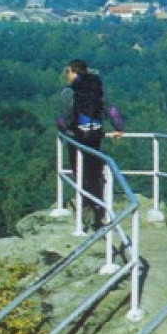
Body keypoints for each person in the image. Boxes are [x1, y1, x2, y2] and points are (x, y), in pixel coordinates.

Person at [59, 59, 123, 228]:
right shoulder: (97, 88)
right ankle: (99, 208)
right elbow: (111, 109)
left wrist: (64, 130)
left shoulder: (69, 91)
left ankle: (86, 206)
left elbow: (62, 117)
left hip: (77, 137)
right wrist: (119, 127)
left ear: (73, 72)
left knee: (79, 171)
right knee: (94, 171)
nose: (67, 75)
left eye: (69, 72)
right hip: (95, 136)